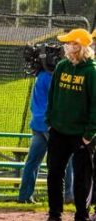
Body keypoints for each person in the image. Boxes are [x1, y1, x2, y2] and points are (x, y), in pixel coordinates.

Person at [38, 29, 96, 221]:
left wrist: (89, 133)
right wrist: (50, 120)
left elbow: (95, 106)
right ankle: (55, 216)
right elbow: (52, 96)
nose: (66, 47)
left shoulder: (92, 71)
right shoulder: (62, 67)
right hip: (59, 130)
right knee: (54, 172)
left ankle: (82, 220)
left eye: (70, 43)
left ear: (80, 46)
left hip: (82, 134)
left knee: (82, 176)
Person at [18, 53, 73, 204]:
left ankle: (24, 195)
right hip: (49, 124)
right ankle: (69, 194)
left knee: (33, 161)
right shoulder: (50, 77)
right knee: (66, 159)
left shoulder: (41, 75)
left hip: (37, 123)